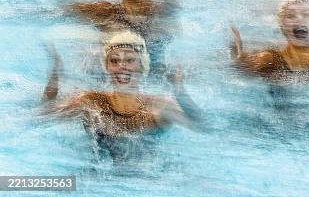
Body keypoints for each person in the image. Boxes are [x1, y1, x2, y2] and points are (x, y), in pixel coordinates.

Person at [41, 31, 204, 161]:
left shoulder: (158, 107)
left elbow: (198, 125)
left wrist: (180, 93)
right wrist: (56, 72)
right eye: (114, 61)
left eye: (129, 60)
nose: (121, 67)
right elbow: (45, 114)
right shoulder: (91, 102)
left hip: (146, 178)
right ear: (106, 67)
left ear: (142, 66)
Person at [50, 0, 178, 74]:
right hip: (114, 75)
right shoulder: (105, 12)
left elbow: (172, 1)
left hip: (156, 77)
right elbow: (65, 10)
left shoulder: (160, 11)